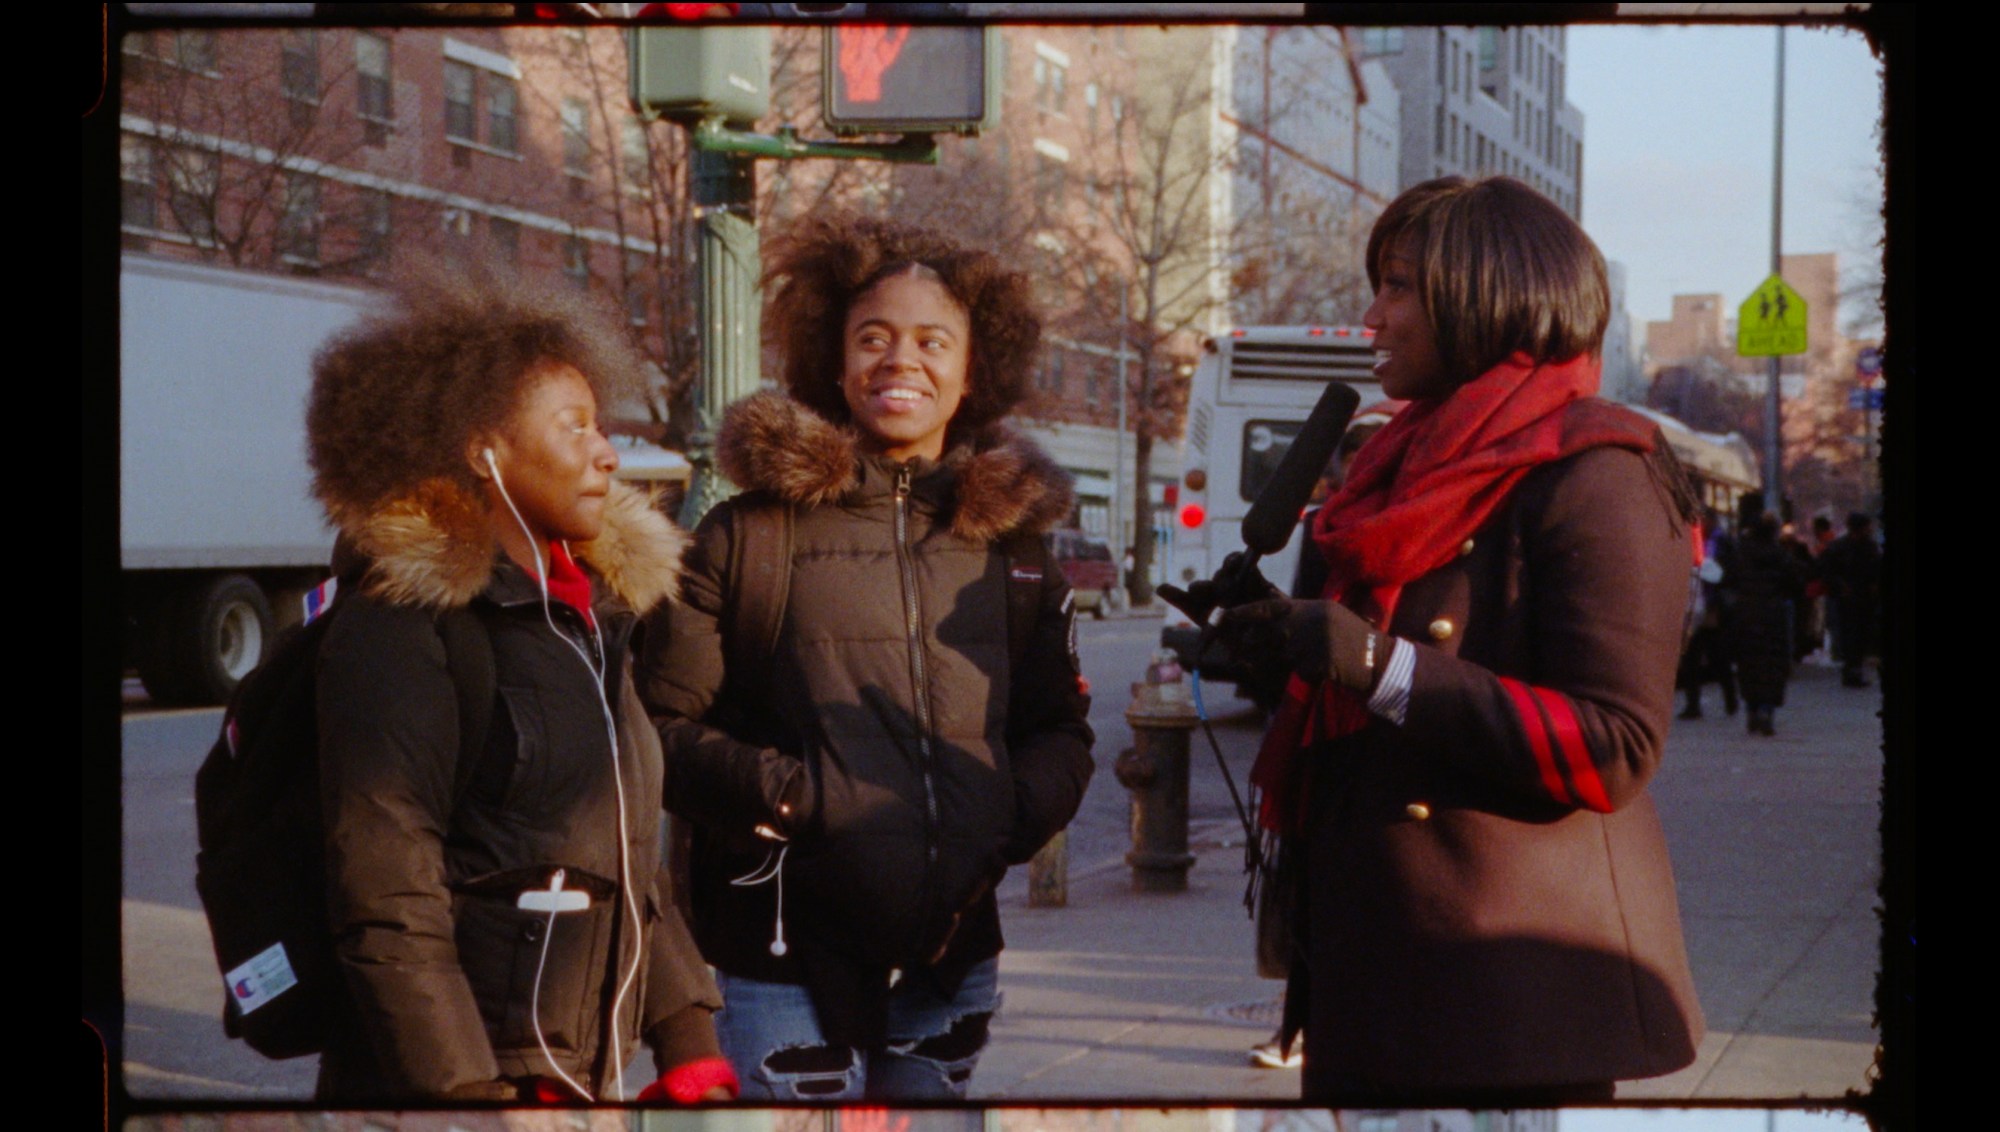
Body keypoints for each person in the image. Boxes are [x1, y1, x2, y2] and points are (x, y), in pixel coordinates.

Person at [1218, 176, 1705, 1102]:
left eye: (1397, 287)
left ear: (1483, 294)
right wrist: (1280, 648)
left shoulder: (1598, 471)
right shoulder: (1387, 470)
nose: (1372, 315)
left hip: (1509, 997)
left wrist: (1378, 667)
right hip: (1369, 966)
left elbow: (1614, 746)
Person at [640, 215, 1095, 1100]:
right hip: (777, 960)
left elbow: (1061, 732)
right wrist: (793, 796)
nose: (900, 361)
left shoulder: (1019, 548)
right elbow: (658, 729)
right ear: (835, 363)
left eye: (933, 341)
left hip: (950, 966)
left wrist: (999, 815)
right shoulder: (746, 534)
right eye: (873, 339)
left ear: (971, 372)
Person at [303, 261, 733, 1103]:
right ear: (482, 450)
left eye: (598, 425)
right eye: (573, 427)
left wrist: (689, 1046)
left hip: (579, 1077)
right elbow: (386, 891)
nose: (608, 454)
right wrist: (468, 1097)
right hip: (460, 1088)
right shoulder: (403, 625)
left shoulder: (590, 617)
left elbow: (629, 859)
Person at [1726, 509, 1807, 735]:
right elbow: (1797, 584)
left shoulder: (1741, 554)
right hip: (1774, 616)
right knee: (1772, 665)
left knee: (1748, 664)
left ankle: (1751, 710)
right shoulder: (1781, 555)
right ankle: (1766, 710)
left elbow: (1728, 579)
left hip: (1746, 615)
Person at [1818, 512, 1881, 688]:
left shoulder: (1868, 546)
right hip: (1848, 598)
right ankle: (1852, 669)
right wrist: (1840, 586)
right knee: (1851, 635)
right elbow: (1827, 571)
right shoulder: (1841, 548)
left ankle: (1854, 668)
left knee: (1859, 635)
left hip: (1863, 598)